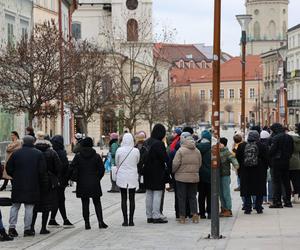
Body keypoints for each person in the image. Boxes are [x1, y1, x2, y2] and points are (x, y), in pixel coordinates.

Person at [6, 135, 48, 237]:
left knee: (15, 206)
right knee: (29, 207)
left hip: (18, 184)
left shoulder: (16, 153)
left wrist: (15, 176)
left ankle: (12, 228)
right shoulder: (38, 154)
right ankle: (27, 229)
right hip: (32, 184)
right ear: (33, 142)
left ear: (23, 143)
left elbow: (8, 167)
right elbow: (42, 170)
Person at [71, 137, 108, 230]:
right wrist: (97, 178)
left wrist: (77, 177)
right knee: (97, 202)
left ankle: (87, 223)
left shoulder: (78, 156)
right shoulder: (96, 156)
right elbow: (101, 170)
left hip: (82, 182)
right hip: (94, 182)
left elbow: (72, 167)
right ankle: (100, 222)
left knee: (85, 203)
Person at [31, 132, 62, 235]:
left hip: (34, 180)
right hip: (48, 181)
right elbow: (58, 167)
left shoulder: (33, 151)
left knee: (34, 205)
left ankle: (31, 227)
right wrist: (54, 176)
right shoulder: (51, 152)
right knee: (46, 205)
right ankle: (43, 228)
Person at [236, 131, 268, 214]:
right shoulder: (262, 146)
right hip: (259, 171)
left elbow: (238, 158)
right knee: (259, 189)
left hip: (245, 171)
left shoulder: (241, 146)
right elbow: (266, 159)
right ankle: (258, 207)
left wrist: (240, 170)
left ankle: (247, 208)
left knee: (246, 190)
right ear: (258, 137)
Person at [172, 132, 201, 224]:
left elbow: (175, 164)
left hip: (181, 177)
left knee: (182, 197)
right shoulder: (197, 151)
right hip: (194, 177)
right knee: (193, 196)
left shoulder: (180, 151)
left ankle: (182, 217)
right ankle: (195, 215)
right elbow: (200, 164)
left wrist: (174, 171)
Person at [144, 124, 168, 224]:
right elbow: (165, 158)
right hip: (157, 171)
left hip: (147, 171)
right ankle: (156, 215)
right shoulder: (159, 144)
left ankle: (149, 215)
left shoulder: (147, 142)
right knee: (157, 193)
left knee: (149, 193)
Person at [48, 135, 74, 228]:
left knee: (58, 199)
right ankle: (64, 220)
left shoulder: (51, 151)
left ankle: (52, 219)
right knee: (60, 200)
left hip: (54, 179)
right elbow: (64, 166)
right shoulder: (61, 152)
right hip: (60, 180)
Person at [115, 133, 140, 226]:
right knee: (132, 198)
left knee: (123, 198)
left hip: (122, 176)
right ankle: (131, 220)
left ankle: (125, 220)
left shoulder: (119, 150)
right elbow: (137, 161)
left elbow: (117, 163)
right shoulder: (136, 150)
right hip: (132, 175)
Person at [269, 123, 294, 208]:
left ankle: (277, 202)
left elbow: (272, 151)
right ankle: (288, 201)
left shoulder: (276, 138)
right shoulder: (289, 137)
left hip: (276, 162)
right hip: (286, 161)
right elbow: (292, 150)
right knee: (286, 181)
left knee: (277, 182)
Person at [219, 137, 239, 217]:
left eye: (220, 143)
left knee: (226, 193)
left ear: (224, 144)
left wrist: (236, 165)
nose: (219, 145)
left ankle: (228, 209)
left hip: (225, 175)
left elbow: (233, 159)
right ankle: (223, 208)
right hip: (218, 175)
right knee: (220, 193)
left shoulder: (227, 152)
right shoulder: (215, 152)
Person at [196, 130, 211, 219]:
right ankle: (210, 212)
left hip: (200, 174)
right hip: (210, 175)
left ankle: (201, 213)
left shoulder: (197, 147)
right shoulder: (213, 148)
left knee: (201, 195)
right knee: (210, 195)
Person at [260, 130, 272, 204]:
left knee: (262, 183)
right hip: (269, 165)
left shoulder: (259, 145)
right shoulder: (270, 145)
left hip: (262, 166)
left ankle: (263, 199)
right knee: (270, 182)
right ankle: (270, 199)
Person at [289, 123, 300, 204]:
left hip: (291, 161)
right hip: (298, 161)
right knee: (296, 180)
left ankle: (293, 196)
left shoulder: (290, 140)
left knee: (291, 180)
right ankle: (297, 196)